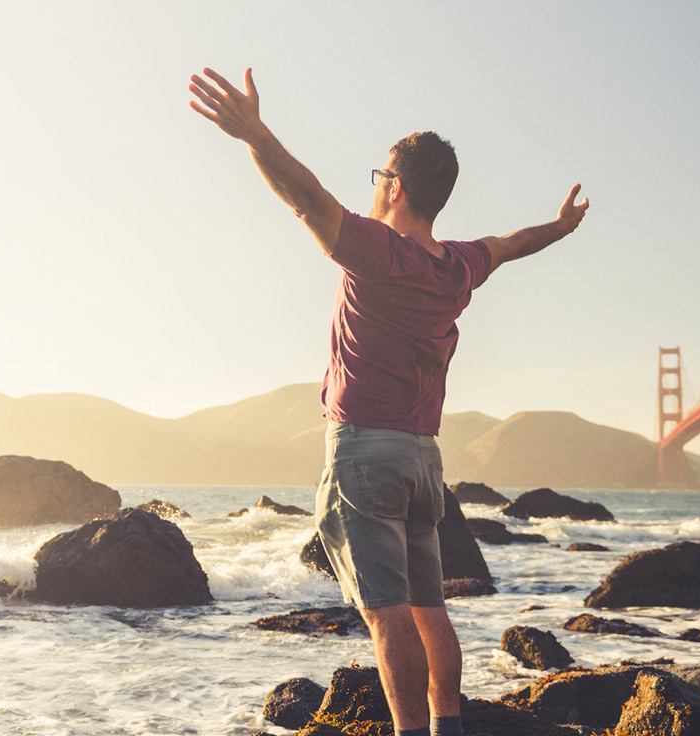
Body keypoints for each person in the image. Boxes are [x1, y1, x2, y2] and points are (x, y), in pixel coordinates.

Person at [189, 67, 588, 736]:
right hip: (423, 462)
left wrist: (253, 133)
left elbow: (304, 197)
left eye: (379, 176)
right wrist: (560, 227)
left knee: (387, 614)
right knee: (430, 607)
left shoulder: (380, 253)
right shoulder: (458, 265)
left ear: (396, 187)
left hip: (365, 455)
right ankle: (447, 727)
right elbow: (514, 245)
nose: (373, 187)